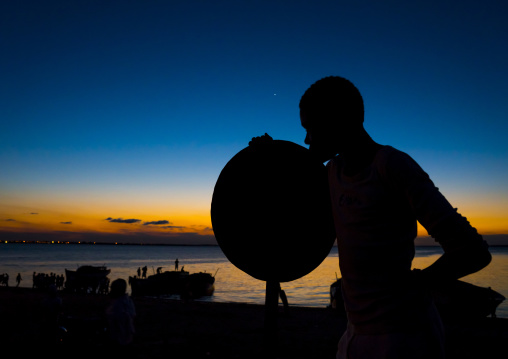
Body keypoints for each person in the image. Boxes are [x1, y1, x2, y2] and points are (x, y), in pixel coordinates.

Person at [293, 76, 492, 359]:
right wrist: (264, 158)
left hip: (404, 336)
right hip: (355, 330)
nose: (307, 139)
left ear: (338, 119)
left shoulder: (391, 166)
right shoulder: (332, 172)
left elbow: (472, 251)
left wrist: (419, 283)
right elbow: (290, 208)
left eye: (311, 128)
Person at [106, 278, 136, 349]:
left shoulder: (119, 304)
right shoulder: (128, 301)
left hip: (120, 339)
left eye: (112, 288)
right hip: (127, 337)